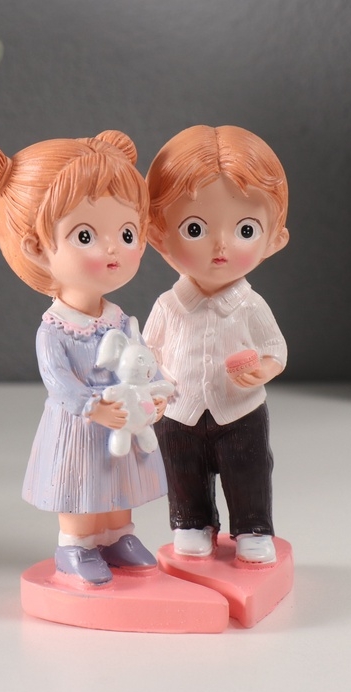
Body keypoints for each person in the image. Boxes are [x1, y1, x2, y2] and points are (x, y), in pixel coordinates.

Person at [0, 131, 167, 585]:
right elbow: (58, 381)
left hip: (123, 418)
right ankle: (76, 545)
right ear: (37, 248)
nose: (113, 248)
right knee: (82, 486)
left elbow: (143, 358)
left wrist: (157, 390)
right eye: (86, 235)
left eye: (127, 233)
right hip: (81, 424)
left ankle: (118, 536)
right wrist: (93, 407)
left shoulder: (119, 319)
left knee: (118, 484)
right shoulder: (55, 330)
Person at [143, 125, 289, 564]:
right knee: (181, 469)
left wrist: (264, 369)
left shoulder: (251, 305)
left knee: (249, 469)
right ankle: (191, 521)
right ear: (158, 234)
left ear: (274, 240)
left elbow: (276, 348)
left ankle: (253, 526)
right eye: (195, 228)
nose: (220, 246)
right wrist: (150, 388)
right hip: (179, 410)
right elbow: (146, 353)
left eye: (246, 229)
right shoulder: (168, 306)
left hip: (239, 410)